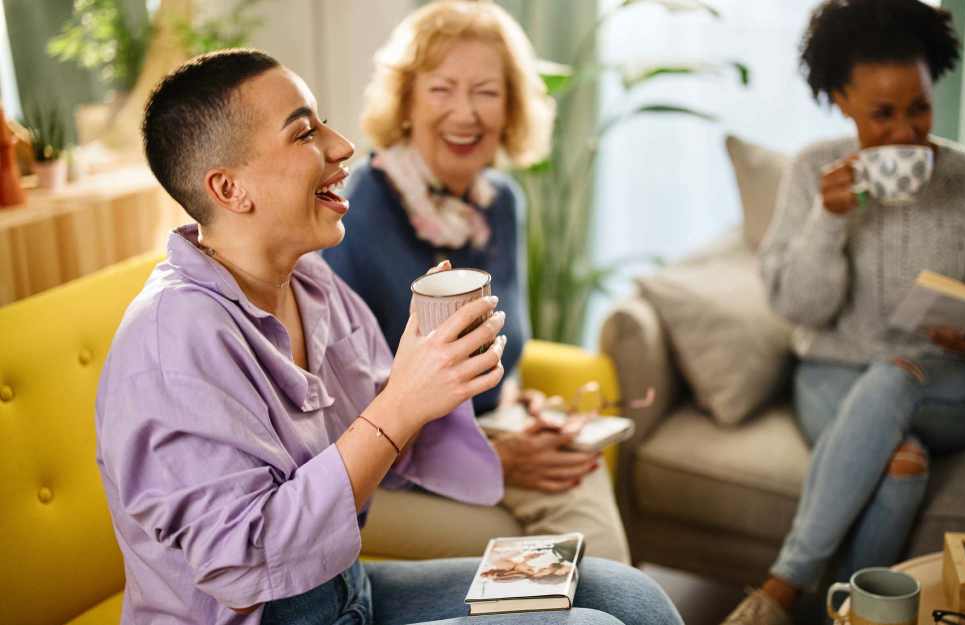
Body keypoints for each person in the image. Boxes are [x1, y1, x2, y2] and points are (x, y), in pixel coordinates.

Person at [96, 48, 683, 625]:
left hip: (345, 590)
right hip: (262, 614)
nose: (341, 145)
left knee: (628, 597)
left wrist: (442, 372)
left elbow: (387, 424)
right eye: (304, 134)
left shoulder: (311, 281)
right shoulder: (169, 343)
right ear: (229, 190)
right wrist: (402, 402)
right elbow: (244, 563)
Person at [321, 0, 630, 563]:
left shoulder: (501, 203)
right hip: (384, 470)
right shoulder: (355, 212)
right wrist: (497, 455)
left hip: (481, 441)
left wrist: (519, 409)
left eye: (487, 92)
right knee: (564, 546)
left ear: (511, 109)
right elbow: (343, 413)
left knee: (579, 481)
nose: (465, 113)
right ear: (406, 101)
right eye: (442, 89)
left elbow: (500, 363)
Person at [721, 2, 965, 625]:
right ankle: (845, 615)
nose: (906, 133)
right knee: (902, 468)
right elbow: (797, 307)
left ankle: (783, 586)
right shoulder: (812, 173)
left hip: (959, 382)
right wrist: (830, 222)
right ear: (841, 101)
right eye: (882, 113)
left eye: (919, 108)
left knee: (898, 372)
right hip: (835, 374)